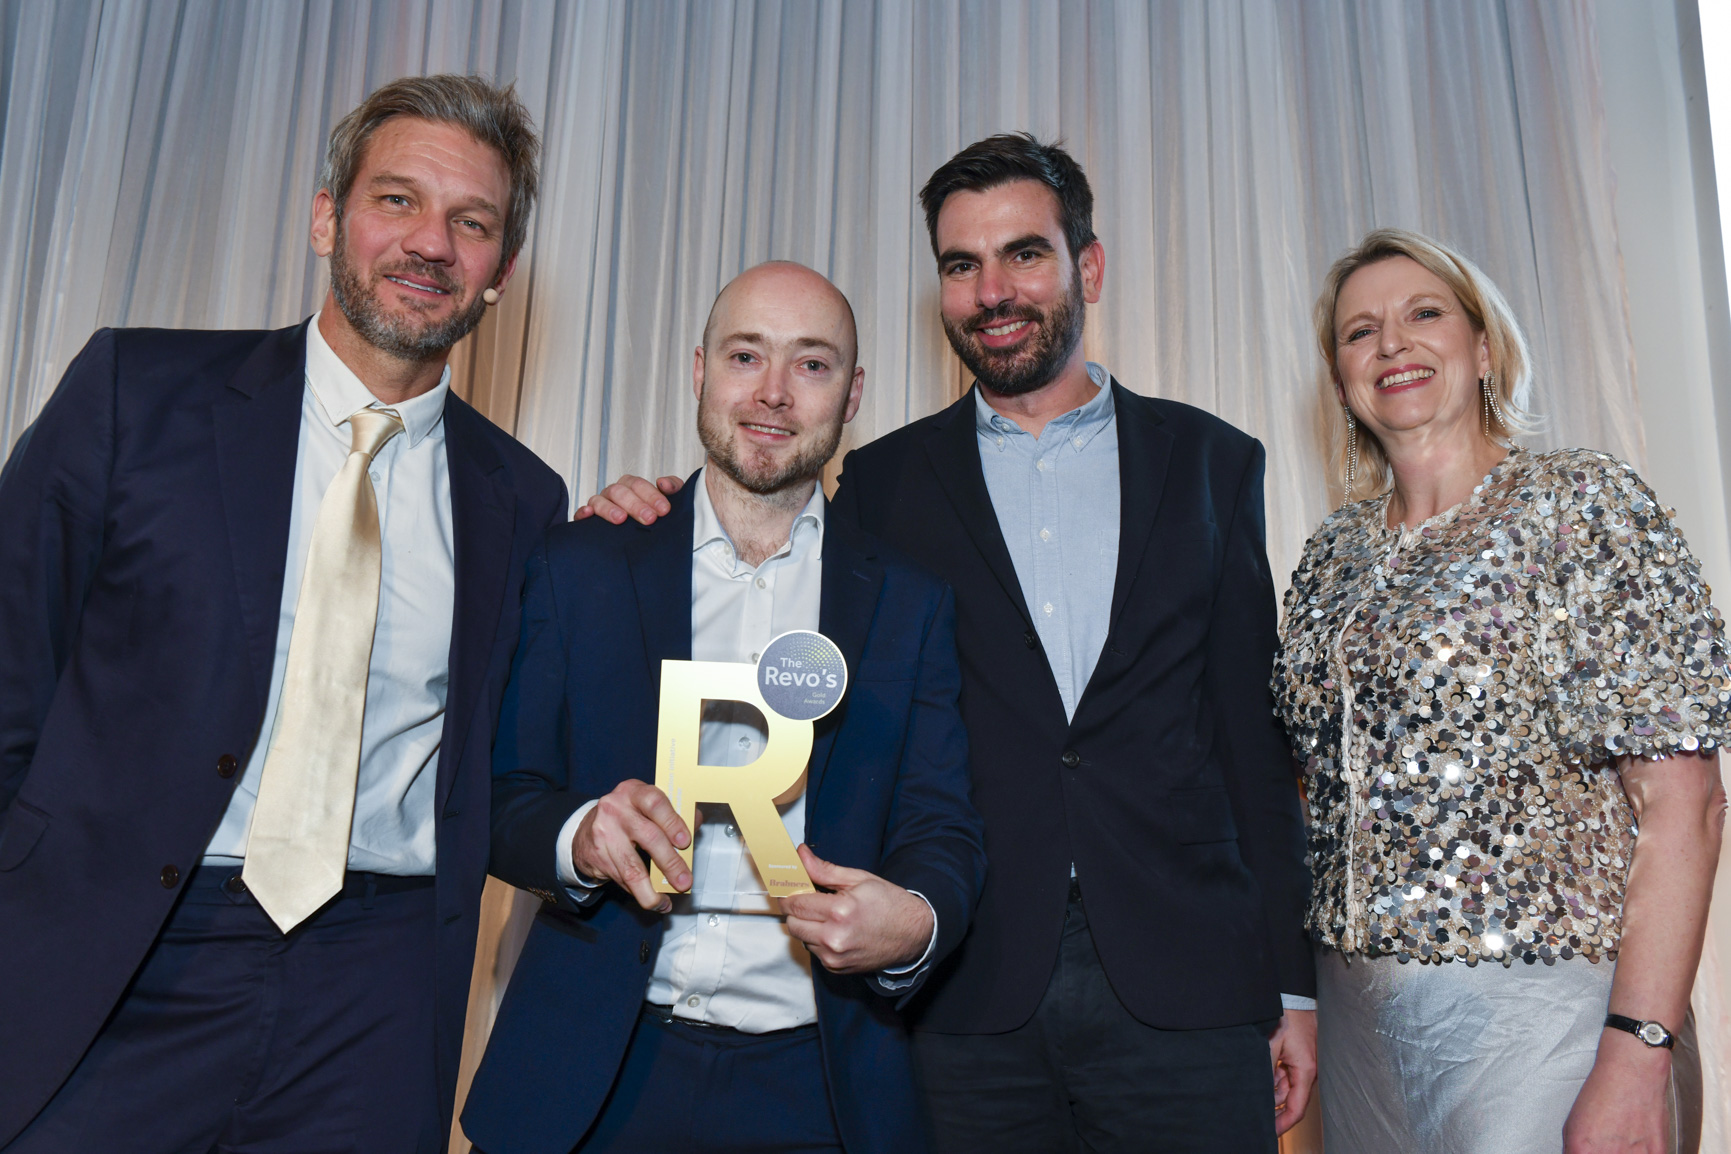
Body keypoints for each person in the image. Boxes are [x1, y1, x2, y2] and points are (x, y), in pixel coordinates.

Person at [580, 135, 1315, 1152]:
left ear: (1088, 267)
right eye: (961, 264)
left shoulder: (1211, 462)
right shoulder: (880, 486)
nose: (992, 290)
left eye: (1024, 254)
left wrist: (1291, 985)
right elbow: (762, 577)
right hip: (965, 991)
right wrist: (654, 510)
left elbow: (1251, 742)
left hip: (1188, 981)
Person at [0, 75, 567, 1152]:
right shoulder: (135, 391)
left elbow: (513, 760)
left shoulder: (525, 501)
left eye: (472, 222)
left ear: (500, 272)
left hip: (375, 990)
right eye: (397, 200)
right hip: (113, 953)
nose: (431, 242)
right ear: (325, 218)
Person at [459, 261, 986, 1154]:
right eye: (746, 356)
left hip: (818, 1087)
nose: (773, 392)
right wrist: (580, 836)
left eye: (811, 364)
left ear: (853, 394)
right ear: (699, 370)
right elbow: (500, 795)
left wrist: (915, 920)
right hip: (591, 1071)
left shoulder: (910, 601)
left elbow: (943, 827)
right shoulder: (581, 565)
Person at [1274, 227, 1729, 1153]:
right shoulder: (1330, 555)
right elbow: (1303, 793)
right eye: (1360, 332)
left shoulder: (1578, 503)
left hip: (1542, 1015)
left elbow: (1685, 802)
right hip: (1357, 1025)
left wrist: (1638, 1050)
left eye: (1423, 314)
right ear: (1340, 379)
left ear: (1483, 348)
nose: (1392, 344)